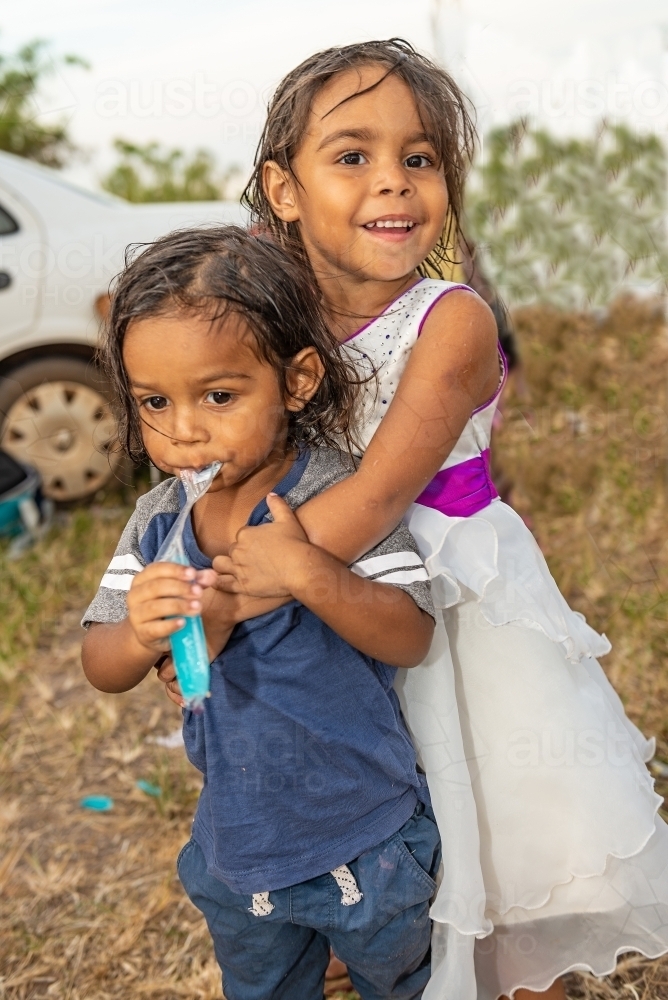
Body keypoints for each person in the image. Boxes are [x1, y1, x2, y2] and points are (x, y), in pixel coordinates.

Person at [170, 39, 668, 1000]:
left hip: (454, 613)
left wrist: (225, 584)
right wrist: (187, 604)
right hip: (324, 613)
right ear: (283, 187)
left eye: (421, 157)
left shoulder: (454, 320)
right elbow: (217, 455)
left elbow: (377, 497)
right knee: (381, 830)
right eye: (351, 156)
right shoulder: (270, 328)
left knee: (500, 849)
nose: (393, 183)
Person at [81, 226, 443, 1000]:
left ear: (297, 380)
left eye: (219, 396)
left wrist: (312, 573)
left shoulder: (333, 496)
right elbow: (103, 667)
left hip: (369, 835)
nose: (183, 430)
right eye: (154, 402)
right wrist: (141, 631)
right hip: (237, 845)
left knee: (408, 983)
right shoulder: (156, 522)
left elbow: (411, 635)